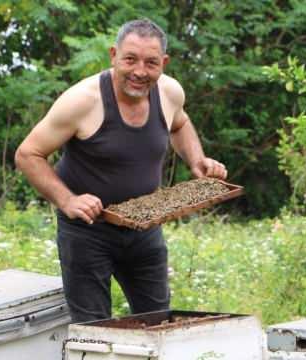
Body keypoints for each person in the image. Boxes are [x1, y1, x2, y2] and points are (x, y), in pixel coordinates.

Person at [15, 18, 227, 322]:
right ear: (114, 55)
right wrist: (67, 200)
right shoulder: (82, 101)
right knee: (94, 328)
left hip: (144, 226)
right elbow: (28, 154)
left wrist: (197, 160)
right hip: (87, 232)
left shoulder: (169, 93)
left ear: (164, 63)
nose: (140, 71)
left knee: (157, 321)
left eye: (151, 63)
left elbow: (180, 123)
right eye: (130, 59)